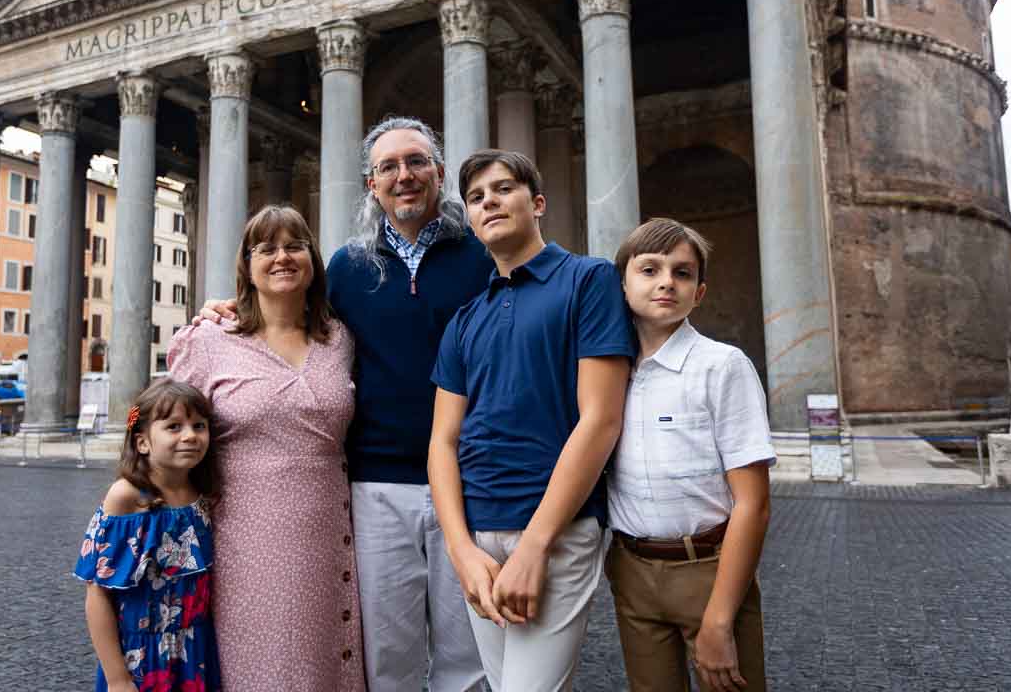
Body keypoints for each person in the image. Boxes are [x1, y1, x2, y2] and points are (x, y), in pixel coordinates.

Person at [196, 116, 492, 691]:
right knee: (387, 658)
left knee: (470, 657)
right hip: (376, 486)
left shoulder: (483, 258)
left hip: (470, 481)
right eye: (388, 167)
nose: (403, 176)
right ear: (370, 185)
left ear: (437, 171)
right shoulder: (348, 270)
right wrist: (229, 309)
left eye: (415, 162)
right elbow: (289, 317)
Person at [429, 149, 635, 691]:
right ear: (470, 221)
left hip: (556, 529)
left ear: (537, 202)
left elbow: (601, 420)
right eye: (475, 198)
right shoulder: (464, 319)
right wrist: (462, 551)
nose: (488, 202)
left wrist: (536, 546)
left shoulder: (588, 280)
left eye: (502, 189)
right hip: (478, 534)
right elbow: (443, 443)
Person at [171, 204, 365, 691]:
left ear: (313, 261)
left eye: (295, 245)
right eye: (267, 248)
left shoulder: (339, 338)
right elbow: (145, 418)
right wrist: (135, 484)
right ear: (247, 264)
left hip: (329, 535)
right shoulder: (210, 338)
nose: (282, 257)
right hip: (243, 544)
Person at [607, 218, 774, 692]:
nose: (666, 282)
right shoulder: (606, 373)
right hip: (632, 567)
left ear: (699, 292)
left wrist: (719, 619)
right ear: (623, 284)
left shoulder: (722, 367)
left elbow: (754, 503)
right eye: (650, 269)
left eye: (682, 273)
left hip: (709, 567)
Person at [74, 379, 221, 692]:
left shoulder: (203, 494)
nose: (191, 436)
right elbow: (98, 595)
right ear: (142, 442)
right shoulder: (126, 497)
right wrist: (117, 678)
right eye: (174, 427)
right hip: (140, 659)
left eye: (199, 425)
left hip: (196, 652)